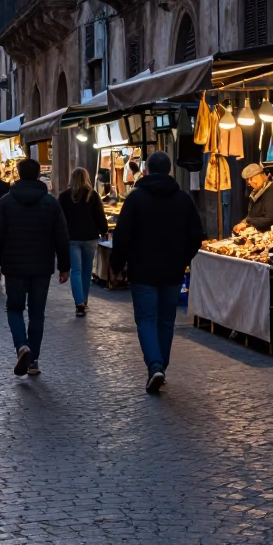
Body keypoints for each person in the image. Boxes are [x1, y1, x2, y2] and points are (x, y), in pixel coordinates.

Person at [110, 151, 204, 394]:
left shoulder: (136, 198)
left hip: (142, 270)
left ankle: (155, 366)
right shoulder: (182, 199)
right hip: (172, 271)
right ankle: (161, 365)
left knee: (145, 319)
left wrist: (117, 265)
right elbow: (196, 235)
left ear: (147, 170)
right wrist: (183, 259)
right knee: (165, 321)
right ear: (170, 170)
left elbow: (121, 236)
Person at [0, 157, 70, 377]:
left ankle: (22, 346)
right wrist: (64, 266)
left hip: (13, 266)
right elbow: (61, 236)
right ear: (37, 175)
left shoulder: (6, 201)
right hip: (41, 267)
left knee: (14, 309)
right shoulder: (50, 202)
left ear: (19, 174)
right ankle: (33, 361)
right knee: (37, 313)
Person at [58, 167, 109, 317]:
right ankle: (84, 300)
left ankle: (79, 303)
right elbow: (100, 216)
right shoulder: (92, 195)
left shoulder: (64, 196)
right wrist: (104, 230)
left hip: (72, 237)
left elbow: (59, 219)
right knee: (86, 271)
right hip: (90, 237)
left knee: (76, 271)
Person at [233, 163, 273, 233]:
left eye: (252, 178)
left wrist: (247, 222)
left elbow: (269, 218)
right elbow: (252, 215)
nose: (250, 182)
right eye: (248, 179)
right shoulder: (256, 192)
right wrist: (243, 223)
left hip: (271, 234)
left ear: (261, 175)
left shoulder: (271, 191)